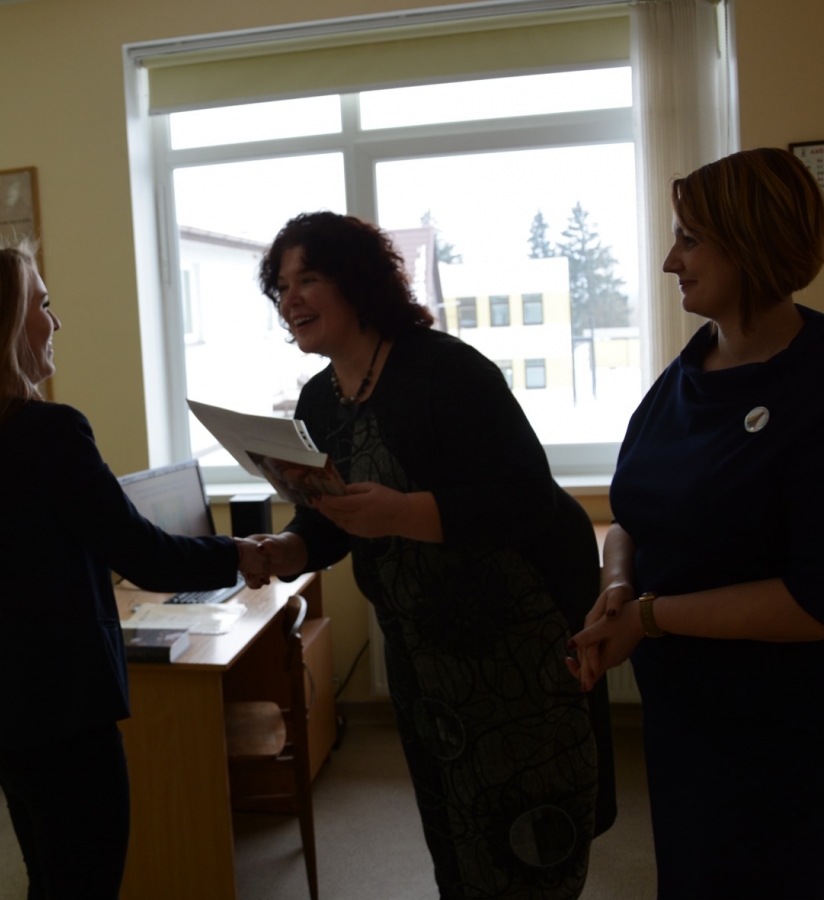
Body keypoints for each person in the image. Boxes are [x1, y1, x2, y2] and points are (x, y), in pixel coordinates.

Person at [252, 211, 612, 899]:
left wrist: (404, 512)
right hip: (421, 650)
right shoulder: (318, 399)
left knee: (526, 836)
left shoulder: (444, 369)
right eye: (281, 286)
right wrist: (286, 547)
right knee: (453, 828)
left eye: (309, 279)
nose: (289, 299)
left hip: (513, 643)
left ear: (358, 283)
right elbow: (330, 519)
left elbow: (526, 497)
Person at [567, 148, 824, 900]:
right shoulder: (686, 374)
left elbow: (821, 602)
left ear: (750, 243)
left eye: (688, 239)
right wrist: (618, 586)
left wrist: (649, 617)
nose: (668, 262)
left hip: (784, 723)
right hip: (687, 710)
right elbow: (633, 514)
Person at [0, 238, 265, 899]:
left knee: (51, 880)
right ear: (2, 323)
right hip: (60, 715)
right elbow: (146, 555)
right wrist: (246, 553)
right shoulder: (46, 431)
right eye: (43, 305)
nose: (57, 321)